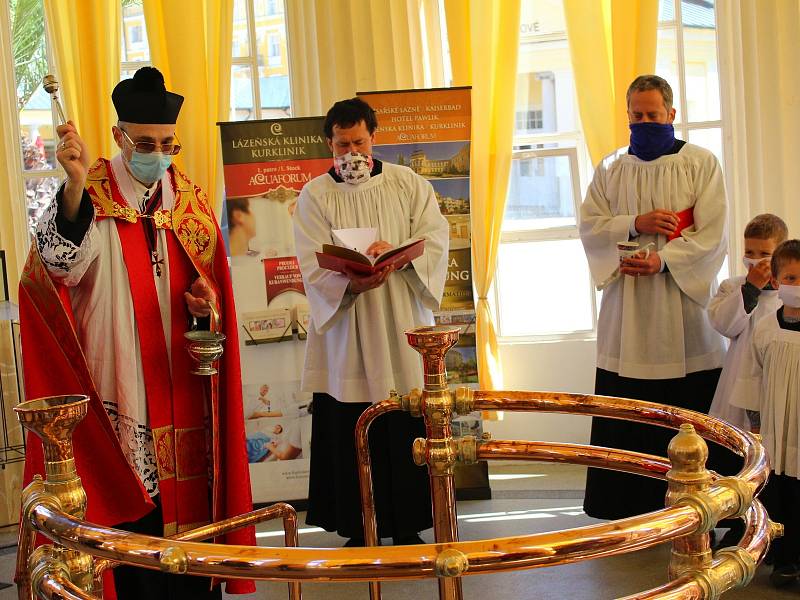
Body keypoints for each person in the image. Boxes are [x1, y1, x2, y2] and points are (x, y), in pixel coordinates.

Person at [18, 66, 254, 598]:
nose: (158, 152)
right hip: (117, 388)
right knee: (128, 547)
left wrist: (207, 310)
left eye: (168, 143)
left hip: (184, 391)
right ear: (119, 137)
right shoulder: (91, 198)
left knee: (190, 548)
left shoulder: (190, 207)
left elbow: (215, 300)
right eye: (145, 142)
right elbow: (54, 270)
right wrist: (74, 186)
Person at [293, 97, 449, 546]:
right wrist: (351, 283)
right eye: (342, 145)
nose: (351, 153)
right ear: (330, 143)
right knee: (350, 419)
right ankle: (359, 524)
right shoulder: (315, 194)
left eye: (359, 142)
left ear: (374, 138)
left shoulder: (407, 183)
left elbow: (435, 237)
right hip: (349, 326)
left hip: (400, 314)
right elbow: (311, 259)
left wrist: (396, 255)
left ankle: (406, 524)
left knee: (402, 419)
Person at [579, 74, 728, 520]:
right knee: (629, 417)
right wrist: (634, 220)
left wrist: (663, 261)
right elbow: (589, 225)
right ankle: (628, 509)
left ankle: (700, 508)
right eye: (637, 115)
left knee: (691, 414)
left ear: (672, 114)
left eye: (653, 115)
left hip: (681, 312)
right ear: (627, 114)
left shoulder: (700, 162)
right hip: (626, 312)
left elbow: (713, 234)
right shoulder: (611, 167)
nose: (645, 122)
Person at [731, 240, 800, 587]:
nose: (797, 286)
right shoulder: (766, 327)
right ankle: (786, 560)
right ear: (776, 280)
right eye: (791, 277)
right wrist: (754, 417)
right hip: (777, 427)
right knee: (783, 492)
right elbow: (752, 374)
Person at [708, 214, 787, 430]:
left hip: (773, 385)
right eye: (749, 252)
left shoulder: (790, 295)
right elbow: (725, 325)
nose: (755, 259)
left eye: (764, 254)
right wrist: (751, 289)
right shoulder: (731, 287)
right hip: (735, 384)